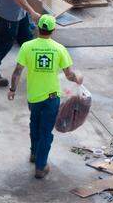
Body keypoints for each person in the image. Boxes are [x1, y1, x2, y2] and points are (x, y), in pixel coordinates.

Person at [8, 14, 83, 178]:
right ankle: (41, 167)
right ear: (53, 30)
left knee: (34, 124)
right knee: (46, 132)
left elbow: (17, 72)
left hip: (33, 97)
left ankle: (34, 153)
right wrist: (78, 78)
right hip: (51, 98)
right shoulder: (59, 48)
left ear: (37, 28)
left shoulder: (27, 47)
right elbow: (69, 75)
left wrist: (12, 90)